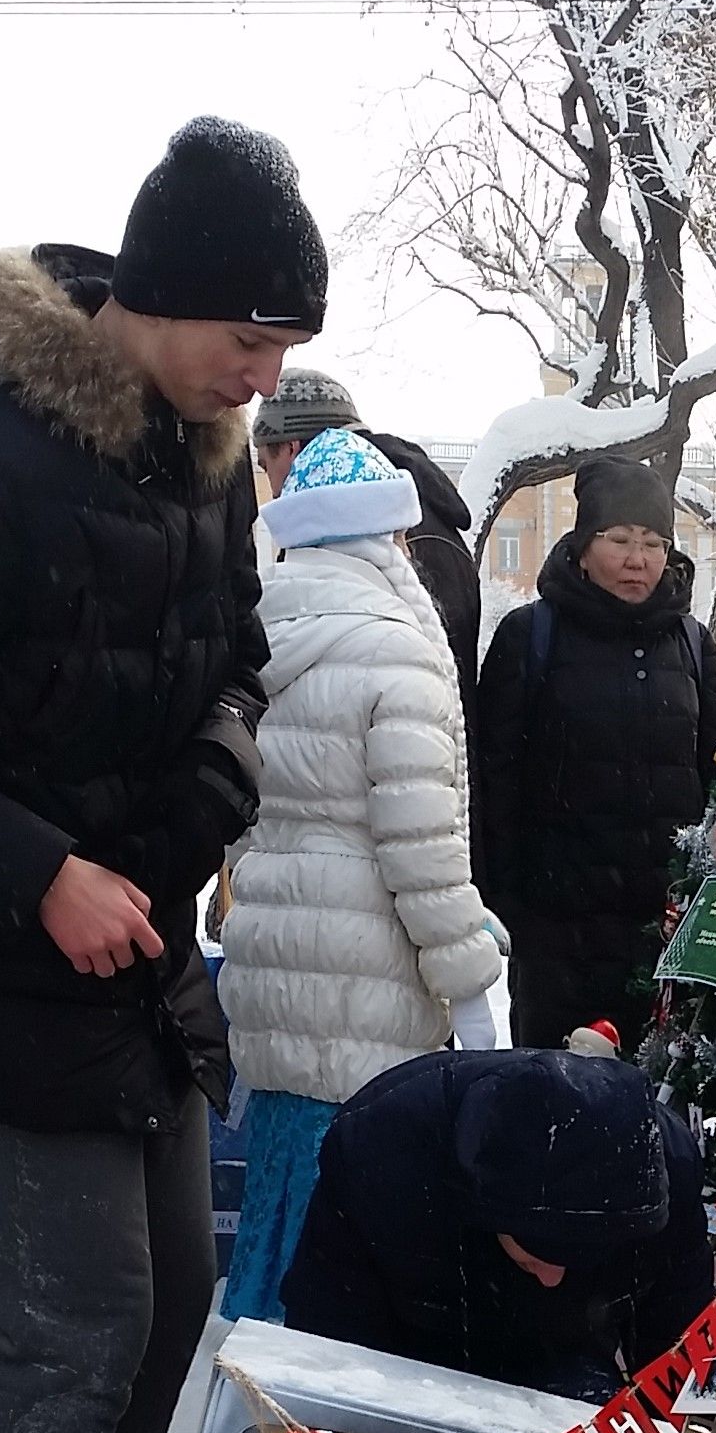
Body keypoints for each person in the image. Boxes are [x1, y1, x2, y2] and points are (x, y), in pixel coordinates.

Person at [0, 117, 327, 1433]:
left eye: (285, 348)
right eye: (247, 336)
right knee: (73, 1329)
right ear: (159, 300)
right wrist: (40, 876)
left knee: (173, 1314)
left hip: (151, 956)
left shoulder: (210, 449)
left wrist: (217, 778)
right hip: (0, 969)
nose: (263, 374)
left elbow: (238, 657)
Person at [217, 428, 503, 1322]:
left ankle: (230, 1427)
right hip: (367, 992)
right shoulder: (397, 652)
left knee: (271, 1227)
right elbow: (422, 850)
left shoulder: (257, 636)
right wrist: (474, 987)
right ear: (389, 537)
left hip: (274, 974)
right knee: (337, 1257)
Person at [279, 1042, 714, 1397]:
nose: (550, 1277)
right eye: (535, 1254)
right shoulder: (379, 1152)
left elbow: (677, 1351)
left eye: (583, 1257)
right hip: (409, 1372)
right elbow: (327, 1344)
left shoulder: (666, 1174)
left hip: (570, 1370)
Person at [475, 457, 716, 1054]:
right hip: (559, 942)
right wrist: (512, 905)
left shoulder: (692, 645)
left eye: (653, 542)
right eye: (619, 540)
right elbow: (493, 783)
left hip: (666, 936)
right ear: (584, 546)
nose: (637, 558)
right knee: (554, 1112)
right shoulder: (529, 637)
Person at [252, 367, 483, 749]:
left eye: (267, 466)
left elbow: (421, 701)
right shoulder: (409, 518)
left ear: (291, 449)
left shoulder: (390, 530)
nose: (274, 490)